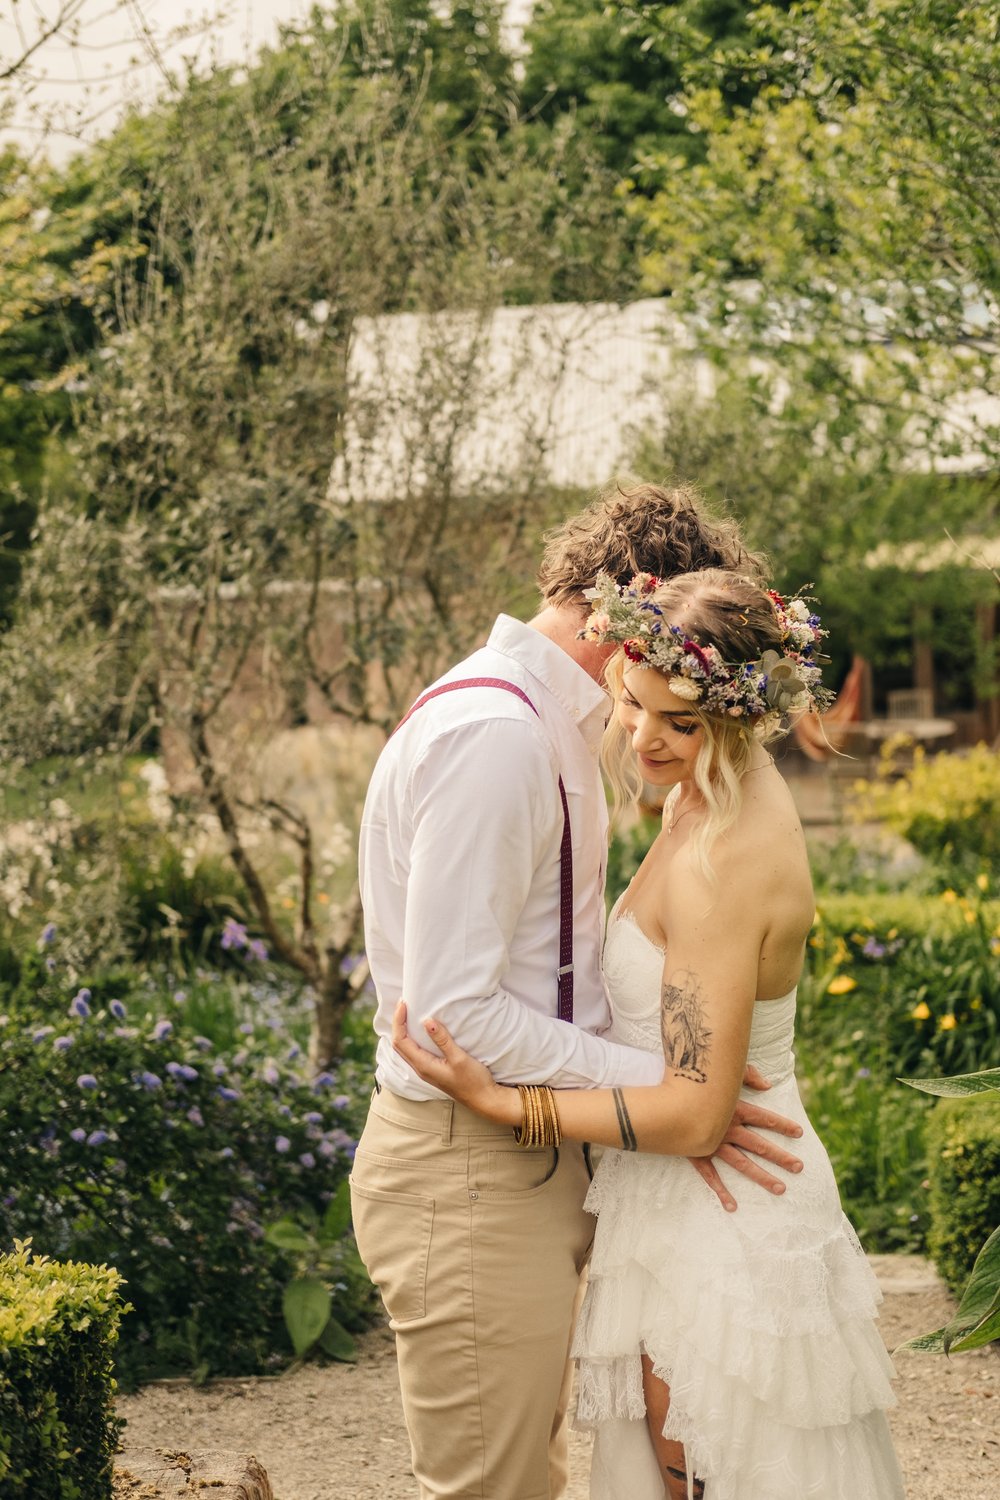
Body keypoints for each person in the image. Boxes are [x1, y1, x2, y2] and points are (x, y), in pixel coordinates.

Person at [393, 568, 906, 1500]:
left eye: (681, 721)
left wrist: (503, 1101)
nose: (644, 737)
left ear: (745, 714)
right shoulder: (702, 797)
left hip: (722, 1223)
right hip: (679, 1205)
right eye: (632, 703)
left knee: (691, 1477)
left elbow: (697, 1117)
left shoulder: (723, 857)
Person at [350, 484, 808, 1500]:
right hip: (468, 1173)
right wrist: (680, 1094)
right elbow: (455, 1017)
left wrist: (659, 1110)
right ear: (637, 603)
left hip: (540, 1155)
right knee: (495, 1491)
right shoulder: (496, 736)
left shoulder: (561, 730)